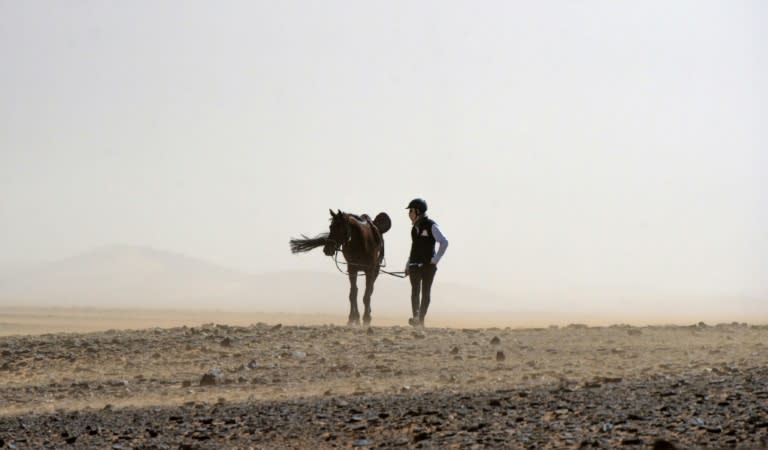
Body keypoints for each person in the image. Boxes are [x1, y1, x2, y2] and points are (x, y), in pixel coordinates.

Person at [404, 198, 448, 327]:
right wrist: (408, 265)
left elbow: (444, 242)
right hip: (414, 266)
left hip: (428, 267)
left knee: (426, 292)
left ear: (418, 211)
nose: (409, 214)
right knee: (415, 292)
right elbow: (414, 248)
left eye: (411, 211)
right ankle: (416, 317)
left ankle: (420, 319)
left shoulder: (431, 226)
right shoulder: (414, 229)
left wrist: (435, 260)